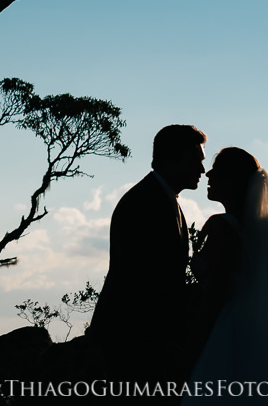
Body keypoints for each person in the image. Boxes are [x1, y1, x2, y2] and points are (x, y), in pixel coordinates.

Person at [184, 148, 268, 404]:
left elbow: (216, 293)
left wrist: (194, 345)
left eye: (218, 169)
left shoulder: (223, 227)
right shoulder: (259, 232)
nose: (209, 174)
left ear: (233, 180)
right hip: (267, 330)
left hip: (229, 331)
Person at [89, 124, 207, 384]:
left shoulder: (164, 200)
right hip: (133, 342)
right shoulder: (142, 203)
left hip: (148, 343)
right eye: (195, 161)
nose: (202, 169)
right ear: (171, 159)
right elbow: (139, 280)